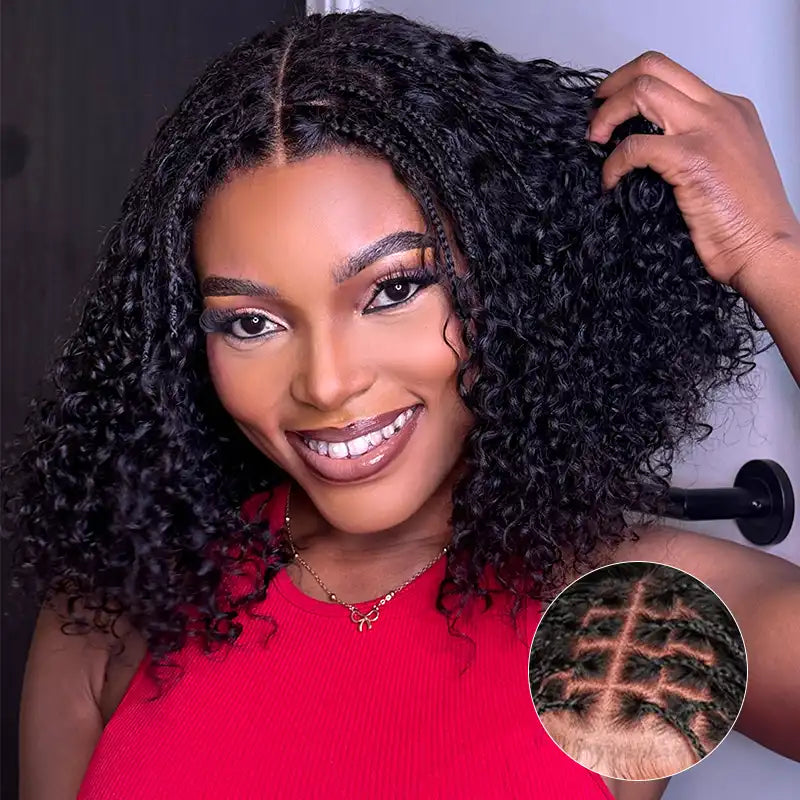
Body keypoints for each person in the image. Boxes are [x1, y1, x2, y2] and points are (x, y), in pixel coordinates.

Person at [4, 10, 799, 800]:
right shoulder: (122, 602)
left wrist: (768, 253)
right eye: (251, 323)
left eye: (392, 290)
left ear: (508, 284)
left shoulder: (630, 612)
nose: (325, 383)